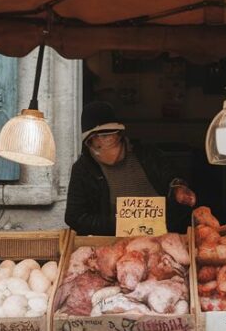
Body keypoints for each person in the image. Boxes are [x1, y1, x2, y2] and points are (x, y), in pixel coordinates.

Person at [66, 101, 197, 236]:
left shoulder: (147, 155)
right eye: (96, 140)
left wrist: (177, 189)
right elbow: (74, 217)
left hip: (162, 238)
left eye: (108, 136)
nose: (103, 142)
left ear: (120, 135)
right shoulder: (83, 169)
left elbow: (171, 177)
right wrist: (119, 223)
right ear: (88, 143)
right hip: (111, 244)